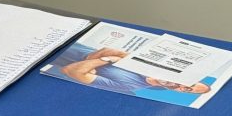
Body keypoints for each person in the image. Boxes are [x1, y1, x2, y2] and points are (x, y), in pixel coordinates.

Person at [56, 46, 212, 96]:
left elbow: (70, 70)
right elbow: (108, 50)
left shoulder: (128, 86)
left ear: (180, 92)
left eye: (188, 90)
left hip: (54, 56)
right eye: (190, 84)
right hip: (73, 42)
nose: (183, 86)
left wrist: (107, 60)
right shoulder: (151, 64)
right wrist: (93, 63)